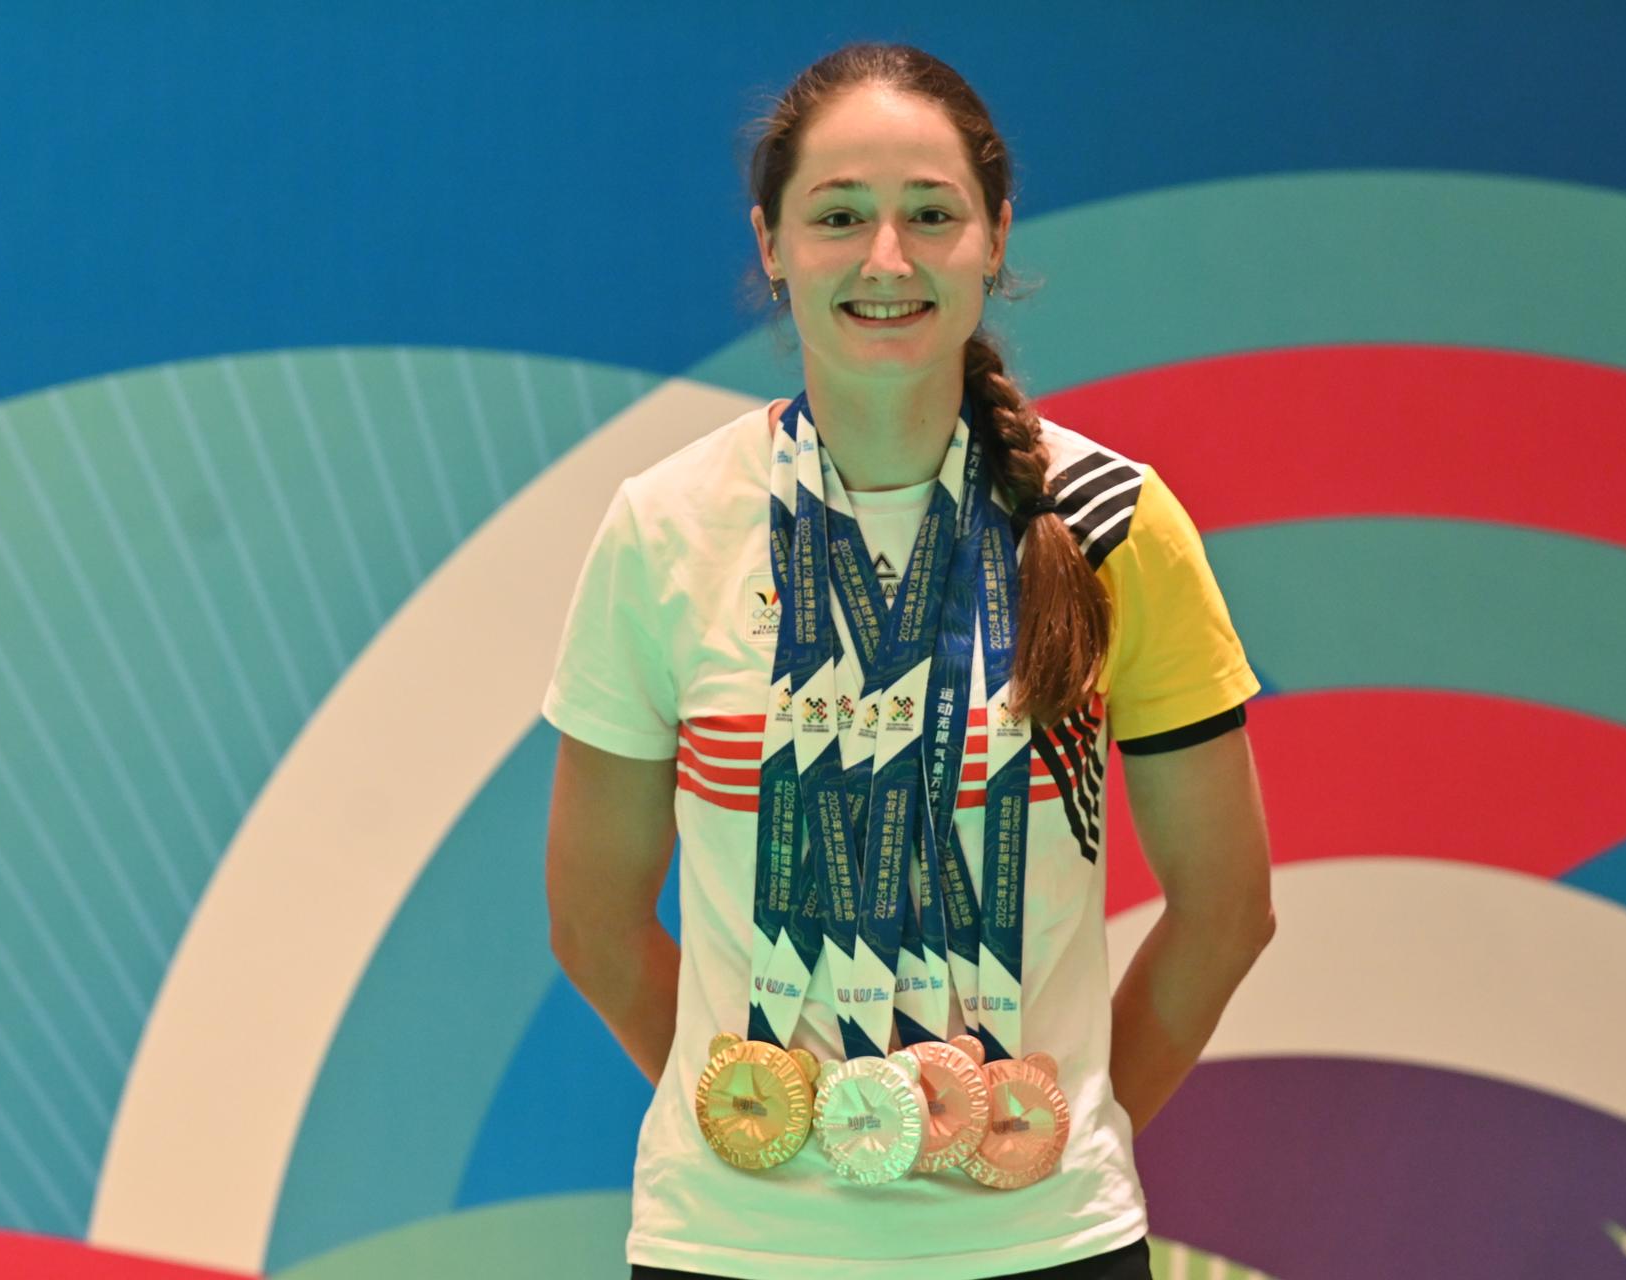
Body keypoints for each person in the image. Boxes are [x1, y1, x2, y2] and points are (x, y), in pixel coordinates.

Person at [541, 41, 1277, 1280]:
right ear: (772, 244)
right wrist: (757, 1113)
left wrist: (1063, 1130)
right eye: (839, 217)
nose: (886, 258)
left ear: (994, 235)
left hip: (1044, 1245)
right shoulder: (665, 529)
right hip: (734, 1246)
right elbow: (595, 920)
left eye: (931, 214)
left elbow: (1226, 910)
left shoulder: (1114, 522)